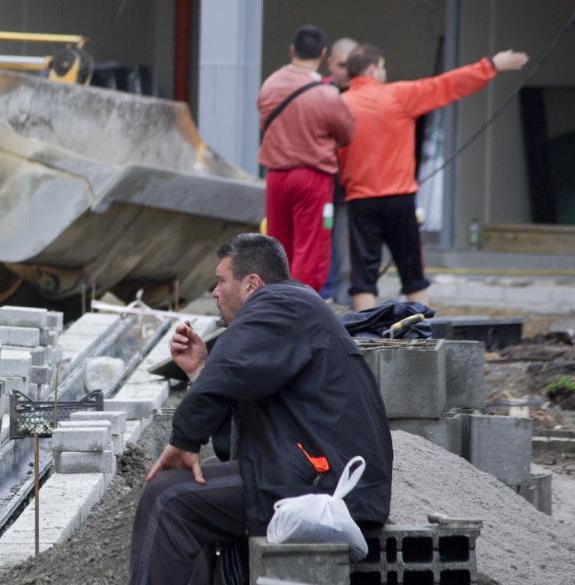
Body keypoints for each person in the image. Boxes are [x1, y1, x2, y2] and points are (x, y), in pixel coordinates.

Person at [127, 233, 393, 585]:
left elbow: (231, 370)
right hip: (314, 475)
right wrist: (199, 372)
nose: (215, 292)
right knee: (196, 484)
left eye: (221, 281)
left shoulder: (280, 304)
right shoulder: (290, 312)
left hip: (328, 486)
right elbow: (234, 444)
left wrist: (185, 439)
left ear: (252, 284)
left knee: (167, 498)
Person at [338, 46, 529, 311]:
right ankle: (422, 331)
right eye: (382, 67)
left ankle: (363, 336)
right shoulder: (398, 95)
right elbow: (446, 85)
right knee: (412, 271)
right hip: (399, 197)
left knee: (363, 276)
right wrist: (490, 66)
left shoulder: (340, 105)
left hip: (360, 199)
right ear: (372, 69)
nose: (385, 72)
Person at [259, 26, 355, 294]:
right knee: (311, 249)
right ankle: (301, 306)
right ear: (324, 54)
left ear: (292, 51)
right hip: (313, 179)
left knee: (278, 248)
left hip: (276, 176)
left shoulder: (270, 84)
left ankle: (274, 302)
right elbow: (347, 134)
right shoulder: (326, 94)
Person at [322, 37, 358, 305]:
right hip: (321, 188)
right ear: (330, 63)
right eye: (343, 64)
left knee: (348, 260)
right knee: (320, 254)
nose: (347, 71)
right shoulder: (318, 93)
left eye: (353, 65)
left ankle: (345, 314)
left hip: (351, 191)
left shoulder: (366, 95)